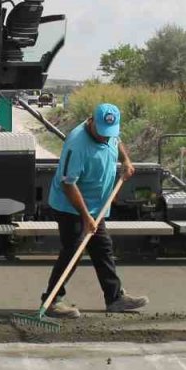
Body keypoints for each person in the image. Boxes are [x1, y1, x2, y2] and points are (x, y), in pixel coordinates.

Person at [40, 103, 148, 318]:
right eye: (101, 133)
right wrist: (86, 216)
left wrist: (125, 160)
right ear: (91, 121)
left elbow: (116, 141)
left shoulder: (109, 133)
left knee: (103, 247)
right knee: (74, 250)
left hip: (96, 205)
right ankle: (52, 301)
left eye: (109, 133)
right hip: (70, 205)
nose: (105, 137)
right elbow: (68, 184)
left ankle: (114, 298)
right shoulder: (77, 145)